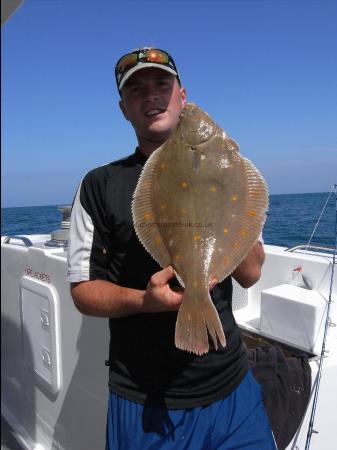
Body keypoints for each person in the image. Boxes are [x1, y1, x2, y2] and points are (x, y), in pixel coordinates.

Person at [67, 47, 277, 449]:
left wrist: (231, 190)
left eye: (162, 84)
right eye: (137, 90)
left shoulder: (229, 171)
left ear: (182, 94)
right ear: (123, 109)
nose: (151, 96)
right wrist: (147, 302)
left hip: (232, 386)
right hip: (147, 402)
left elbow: (250, 274)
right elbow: (82, 291)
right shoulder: (98, 185)